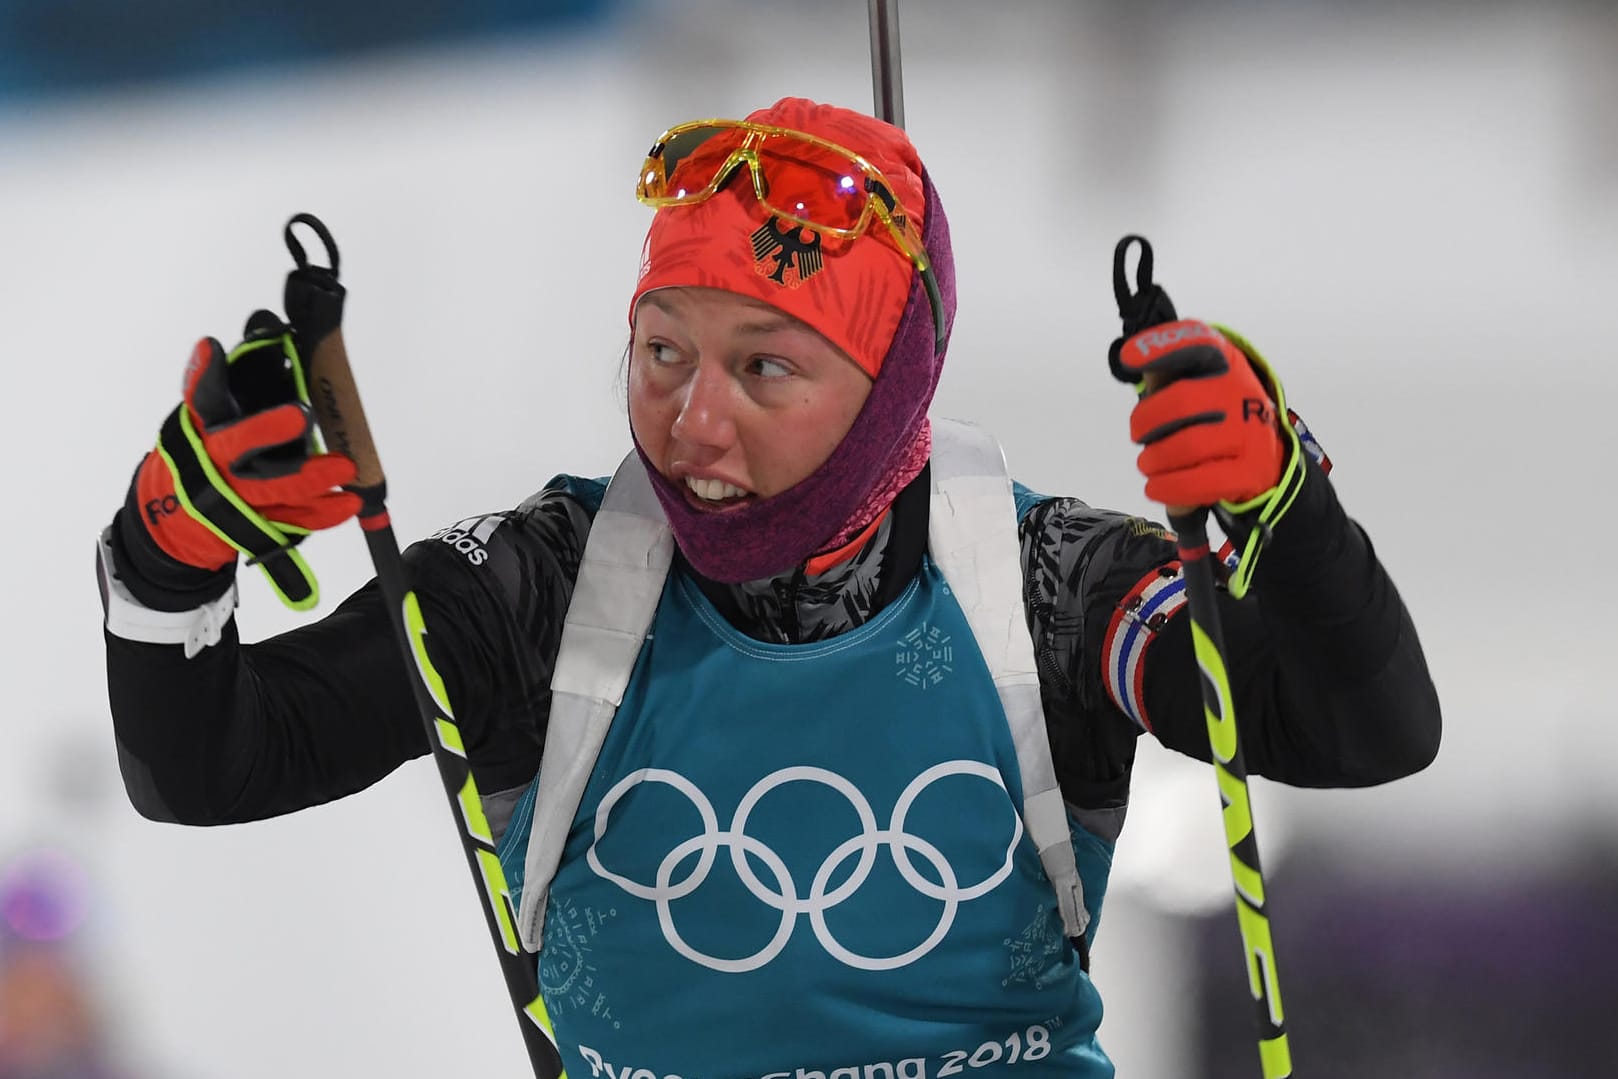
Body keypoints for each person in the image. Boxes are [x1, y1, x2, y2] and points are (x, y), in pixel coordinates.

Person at [95, 96, 1441, 1077]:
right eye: (661, 349)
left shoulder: (1040, 582)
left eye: (766, 368)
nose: (694, 423)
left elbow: (1356, 729)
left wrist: (1283, 511)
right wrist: (167, 558)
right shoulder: (539, 589)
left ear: (890, 392)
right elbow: (216, 765)